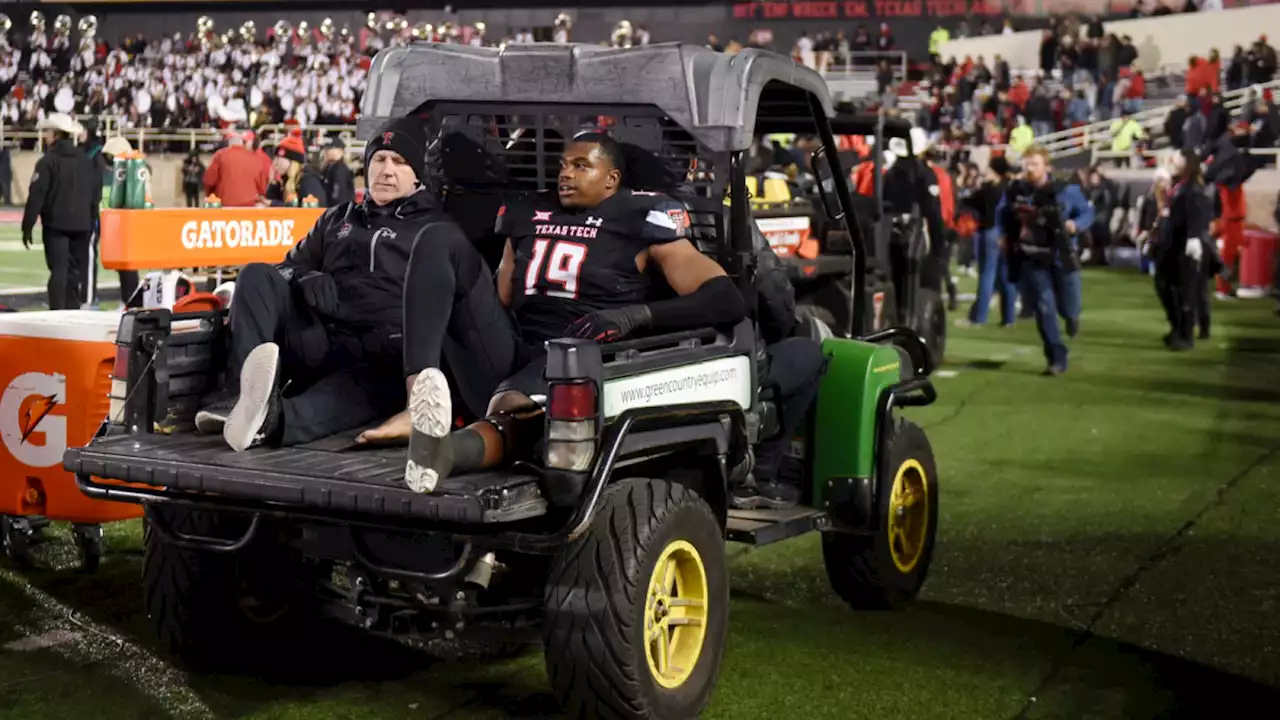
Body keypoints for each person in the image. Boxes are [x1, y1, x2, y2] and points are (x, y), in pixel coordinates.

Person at [352, 133, 747, 492]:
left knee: (516, 407)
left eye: (581, 166)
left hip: (575, 358)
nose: (566, 175)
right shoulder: (528, 211)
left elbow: (724, 299)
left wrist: (635, 316)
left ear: (611, 179)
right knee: (438, 237)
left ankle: (446, 452)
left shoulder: (641, 218)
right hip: (513, 345)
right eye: (562, 165)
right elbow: (500, 297)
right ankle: (414, 402)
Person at [199, 116, 463, 452]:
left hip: (383, 358)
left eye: (399, 162)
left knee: (335, 401)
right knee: (255, 275)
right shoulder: (337, 218)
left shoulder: (437, 230)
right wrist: (303, 276)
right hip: (322, 337)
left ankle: (267, 421)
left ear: (417, 176)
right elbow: (285, 267)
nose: (387, 170)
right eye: (379, 159)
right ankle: (238, 397)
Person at [998, 146, 1095, 376]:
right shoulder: (1015, 189)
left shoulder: (1066, 189)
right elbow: (1002, 213)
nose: (1029, 169)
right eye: (1026, 164)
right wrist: (1003, 235)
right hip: (1032, 256)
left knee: (1069, 306)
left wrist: (1075, 225)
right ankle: (1056, 357)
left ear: (1046, 167)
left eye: (1034, 164)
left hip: (1062, 255)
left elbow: (1087, 212)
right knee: (1044, 305)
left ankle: (1072, 317)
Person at [21, 113, 101, 311]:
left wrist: (27, 225)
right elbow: (94, 193)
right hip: (82, 225)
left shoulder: (48, 162)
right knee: (75, 273)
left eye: (47, 132)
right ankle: (72, 312)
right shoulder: (85, 160)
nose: (45, 136)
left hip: (56, 225)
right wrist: (91, 220)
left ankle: (57, 312)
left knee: (58, 272)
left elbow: (37, 196)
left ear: (56, 135)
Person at [1154, 149, 1214, 350]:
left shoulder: (1193, 188)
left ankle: (1186, 335)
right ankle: (1177, 327)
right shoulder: (1178, 184)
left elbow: (1199, 211)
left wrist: (1195, 237)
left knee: (1185, 291)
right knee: (1165, 285)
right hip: (1172, 243)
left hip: (1185, 245)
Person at [964, 156, 1016, 326]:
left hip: (990, 231)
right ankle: (1008, 318)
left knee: (987, 275)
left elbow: (969, 201)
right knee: (1005, 275)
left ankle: (979, 317)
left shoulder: (989, 190)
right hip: (1006, 233)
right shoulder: (1010, 188)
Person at [95, 135, 141, 306]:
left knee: (127, 267)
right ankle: (127, 301)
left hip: (121, 223)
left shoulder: (129, 174)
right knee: (123, 266)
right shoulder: (118, 173)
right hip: (114, 221)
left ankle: (130, 302)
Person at [202, 130, 268, 208]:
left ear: (229, 143)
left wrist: (210, 195)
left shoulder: (220, 155)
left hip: (224, 206)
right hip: (249, 208)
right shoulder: (256, 159)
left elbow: (209, 180)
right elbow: (262, 188)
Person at [262, 133, 326, 206]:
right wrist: (273, 183)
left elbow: (309, 211)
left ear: (292, 161)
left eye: (279, 158)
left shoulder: (308, 182)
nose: (274, 163)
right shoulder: (285, 180)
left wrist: (273, 203)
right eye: (275, 158)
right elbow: (272, 207)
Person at [321, 137, 355, 206]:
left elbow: (339, 194)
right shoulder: (330, 167)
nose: (326, 151)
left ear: (340, 151)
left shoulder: (340, 169)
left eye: (330, 148)